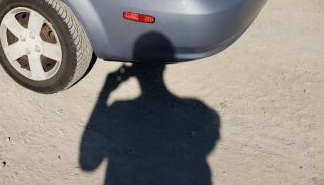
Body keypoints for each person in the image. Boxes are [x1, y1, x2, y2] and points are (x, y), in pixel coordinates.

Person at [80, 32, 220, 185]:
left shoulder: (120, 110)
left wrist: (105, 92)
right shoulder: (197, 111)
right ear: (163, 67)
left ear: (134, 71)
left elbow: (88, 163)